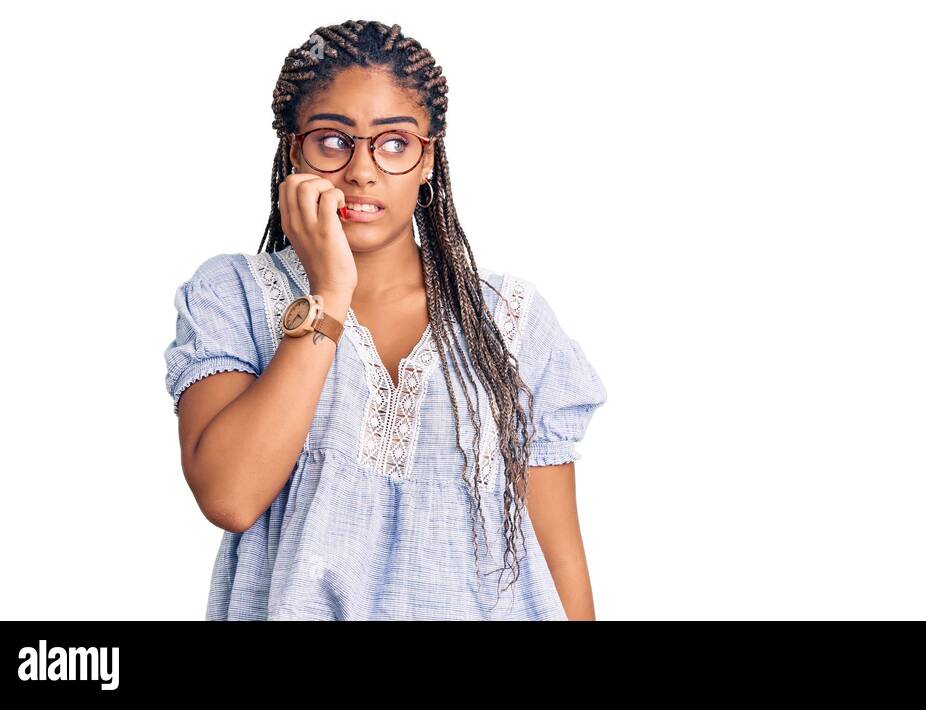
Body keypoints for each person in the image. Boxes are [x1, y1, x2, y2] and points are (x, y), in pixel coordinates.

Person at [163, 20, 608, 620]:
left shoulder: (510, 319)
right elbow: (231, 496)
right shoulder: (233, 293)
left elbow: (561, 562)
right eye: (333, 140)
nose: (362, 171)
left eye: (394, 142)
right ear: (295, 150)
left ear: (429, 159)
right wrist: (330, 292)